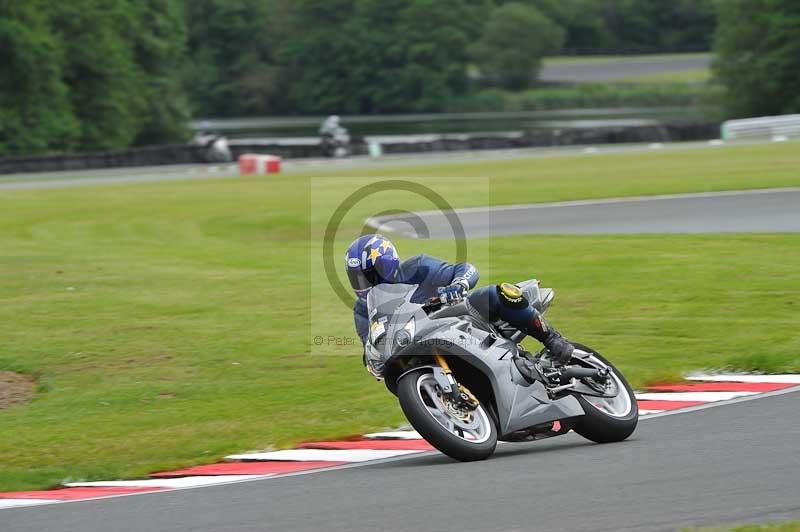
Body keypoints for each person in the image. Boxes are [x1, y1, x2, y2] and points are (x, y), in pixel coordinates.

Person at [345, 234, 574, 365]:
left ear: (387, 263)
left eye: (369, 274)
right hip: (416, 348)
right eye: (358, 278)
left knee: (495, 294)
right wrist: (372, 358)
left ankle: (552, 338)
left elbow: (466, 269)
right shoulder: (362, 310)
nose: (365, 282)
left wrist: (459, 285)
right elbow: (371, 345)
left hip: (458, 318)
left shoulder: (417, 267)